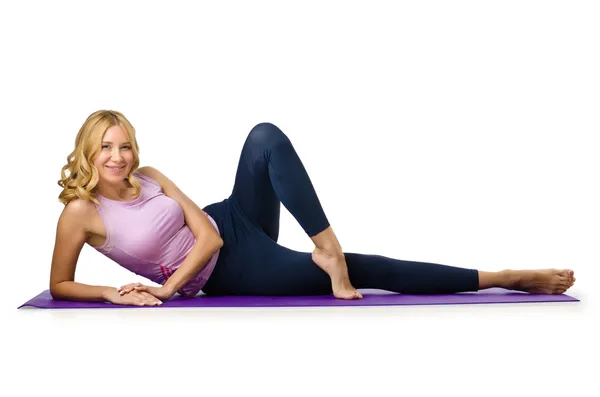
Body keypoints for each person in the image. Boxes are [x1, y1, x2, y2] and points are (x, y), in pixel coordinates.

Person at [49, 110, 576, 306]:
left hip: (228, 220)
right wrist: (113, 293)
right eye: (106, 147)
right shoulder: (80, 214)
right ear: (87, 151)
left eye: (125, 145)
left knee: (264, 135)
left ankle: (329, 248)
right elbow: (59, 285)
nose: (118, 157)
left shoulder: (151, 177)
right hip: (228, 269)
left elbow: (207, 230)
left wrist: (163, 289)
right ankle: (505, 276)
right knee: (369, 269)